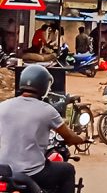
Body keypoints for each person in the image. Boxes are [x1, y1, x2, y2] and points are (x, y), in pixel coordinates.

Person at [0, 64, 86, 193]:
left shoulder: (3, 106)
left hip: (4, 171)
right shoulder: (47, 111)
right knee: (67, 170)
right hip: (33, 173)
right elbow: (69, 137)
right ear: (44, 86)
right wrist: (82, 139)